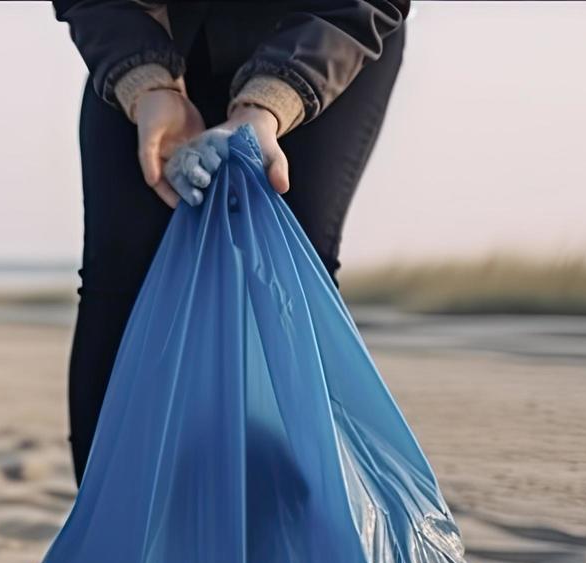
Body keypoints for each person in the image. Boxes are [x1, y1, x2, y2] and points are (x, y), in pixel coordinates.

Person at [54, 1, 408, 482]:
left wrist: (270, 102)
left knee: (292, 278)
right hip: (144, 31)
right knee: (119, 283)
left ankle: (295, 533)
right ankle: (110, 530)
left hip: (324, 34)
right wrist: (145, 82)